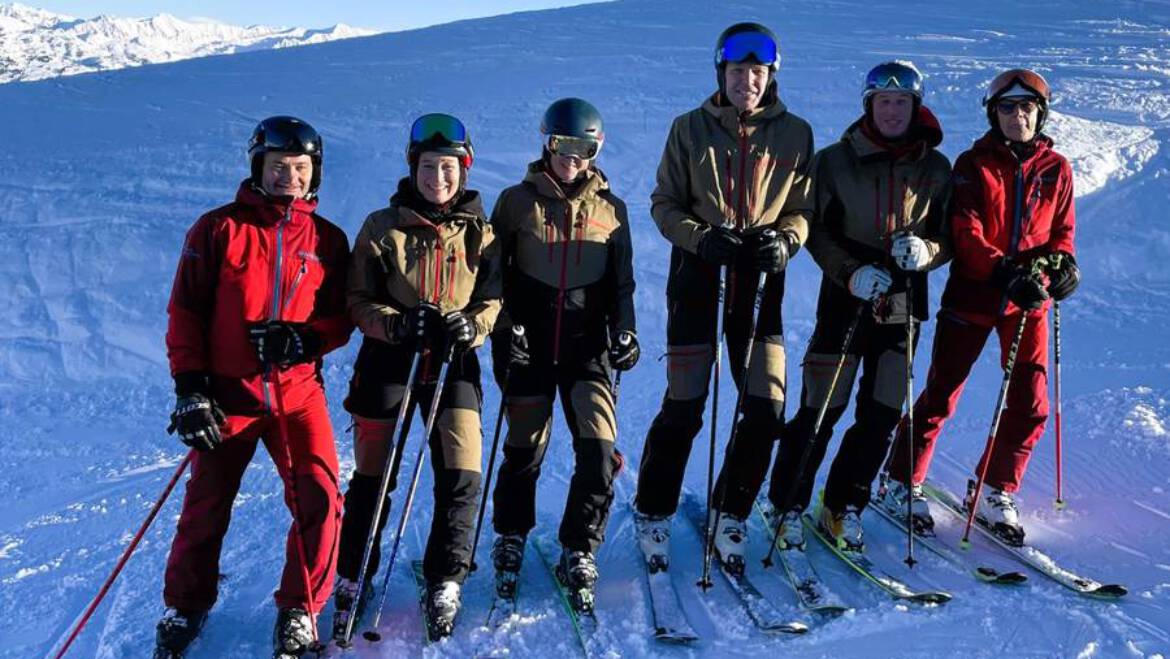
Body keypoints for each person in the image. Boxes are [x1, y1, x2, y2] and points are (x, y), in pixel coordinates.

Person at [157, 115, 353, 658]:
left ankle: (300, 608)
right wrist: (191, 389)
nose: (288, 176)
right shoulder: (217, 229)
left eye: (299, 167)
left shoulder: (328, 240)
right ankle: (186, 604)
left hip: (296, 398)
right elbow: (186, 313)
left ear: (313, 173)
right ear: (257, 168)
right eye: (277, 166)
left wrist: (304, 340)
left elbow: (343, 318)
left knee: (321, 499)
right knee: (206, 504)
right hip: (228, 398)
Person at [633, 22, 814, 574]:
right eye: (739, 71)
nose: (749, 81)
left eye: (758, 72)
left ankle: (731, 508)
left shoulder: (796, 134)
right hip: (698, 275)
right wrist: (702, 236)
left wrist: (785, 241)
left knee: (766, 406)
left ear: (771, 76)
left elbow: (803, 210)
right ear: (722, 73)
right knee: (686, 405)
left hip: (760, 280)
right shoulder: (688, 129)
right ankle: (654, 509)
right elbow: (664, 203)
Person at [884, 68, 1080, 545]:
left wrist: (1063, 269)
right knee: (942, 391)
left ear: (1041, 112)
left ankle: (995, 489)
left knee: (1031, 402)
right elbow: (965, 234)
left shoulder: (1057, 168)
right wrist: (1003, 271)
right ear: (994, 114)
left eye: (1027, 107)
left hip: (1028, 300)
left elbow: (1062, 233)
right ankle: (900, 479)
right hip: (975, 294)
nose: (1018, 116)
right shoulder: (973, 165)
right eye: (1008, 108)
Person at [762, 61, 952, 552]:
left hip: (903, 302)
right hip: (846, 301)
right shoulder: (834, 161)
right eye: (884, 102)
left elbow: (947, 235)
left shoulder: (935, 167)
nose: (893, 111)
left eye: (902, 102)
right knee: (821, 407)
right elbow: (815, 230)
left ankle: (844, 504)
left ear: (916, 106)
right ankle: (785, 503)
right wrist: (849, 271)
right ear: (869, 106)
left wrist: (927, 252)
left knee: (882, 412)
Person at [332, 113, 500, 640]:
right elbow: (356, 300)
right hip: (389, 360)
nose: (439, 178)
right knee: (372, 478)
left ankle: (445, 578)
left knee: (461, 472)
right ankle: (352, 575)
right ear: (414, 166)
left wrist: (471, 325)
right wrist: (397, 323)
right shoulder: (382, 227)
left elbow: (494, 299)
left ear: (463, 170)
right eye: (429, 167)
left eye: (448, 167)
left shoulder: (483, 232)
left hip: (454, 363)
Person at [486, 97, 638, 605]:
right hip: (529, 345)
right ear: (545, 142)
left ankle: (580, 544)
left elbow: (622, 285)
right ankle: (511, 534)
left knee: (597, 451)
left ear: (596, 150)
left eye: (583, 148)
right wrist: (504, 331)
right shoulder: (514, 201)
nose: (571, 157)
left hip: (586, 347)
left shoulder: (612, 210)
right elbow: (492, 277)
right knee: (524, 449)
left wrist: (627, 333)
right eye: (561, 145)